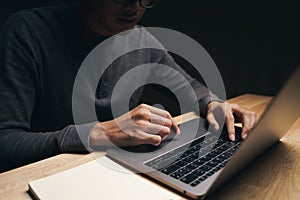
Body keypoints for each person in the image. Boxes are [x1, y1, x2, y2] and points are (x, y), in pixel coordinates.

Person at [0, 0, 256, 172]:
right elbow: (5, 142)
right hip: (46, 175)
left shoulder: (141, 38)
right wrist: (98, 133)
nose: (135, 7)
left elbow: (187, 85)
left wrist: (213, 103)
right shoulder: (27, 32)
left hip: (117, 170)